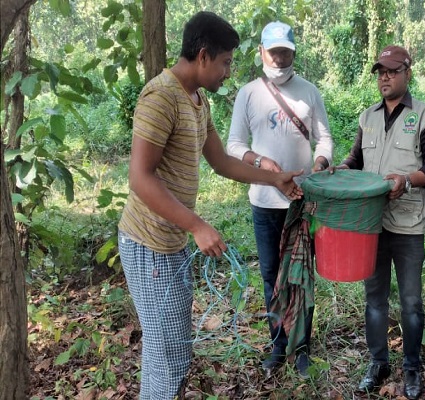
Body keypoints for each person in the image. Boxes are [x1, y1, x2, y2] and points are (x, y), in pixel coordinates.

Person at [117, 12, 303, 400]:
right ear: (203, 56)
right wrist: (197, 225)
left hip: (171, 246)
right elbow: (140, 177)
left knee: (173, 349)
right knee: (167, 352)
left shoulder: (197, 100)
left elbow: (221, 161)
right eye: (225, 62)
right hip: (147, 244)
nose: (228, 72)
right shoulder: (160, 97)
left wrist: (274, 178)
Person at [333, 45, 425, 400]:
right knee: (374, 299)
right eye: (381, 71)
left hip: (408, 224)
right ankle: (378, 362)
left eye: (393, 70)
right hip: (371, 224)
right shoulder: (367, 117)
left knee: (411, 301)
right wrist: (341, 169)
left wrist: (406, 181)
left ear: (407, 72)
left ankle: (411, 367)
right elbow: (355, 158)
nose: (385, 76)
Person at [226, 21, 333, 377]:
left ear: (293, 52)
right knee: (272, 274)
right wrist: (263, 163)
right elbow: (235, 145)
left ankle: (302, 346)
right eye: (274, 52)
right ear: (262, 53)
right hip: (264, 202)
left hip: (302, 202)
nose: (281, 58)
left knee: (301, 275)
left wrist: (319, 164)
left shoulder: (309, 92)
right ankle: (278, 343)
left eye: (286, 51)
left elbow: (325, 139)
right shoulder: (248, 94)